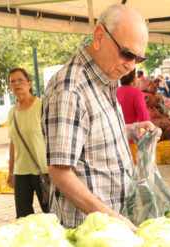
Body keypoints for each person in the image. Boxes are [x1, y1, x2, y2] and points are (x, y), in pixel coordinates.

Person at [41, 4, 156, 230]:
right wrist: (111, 218)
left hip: (114, 223)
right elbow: (60, 172)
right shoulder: (70, 89)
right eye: (126, 54)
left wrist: (132, 129)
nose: (130, 66)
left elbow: (90, 135)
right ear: (99, 36)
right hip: (89, 230)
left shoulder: (104, 77)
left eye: (138, 59)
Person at [6, 68, 49, 218]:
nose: (17, 84)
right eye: (12, 81)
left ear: (29, 83)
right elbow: (13, 143)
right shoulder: (12, 112)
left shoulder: (42, 105)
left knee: (52, 213)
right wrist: (11, 171)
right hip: (21, 171)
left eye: (20, 80)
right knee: (23, 217)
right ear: (10, 87)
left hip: (43, 169)